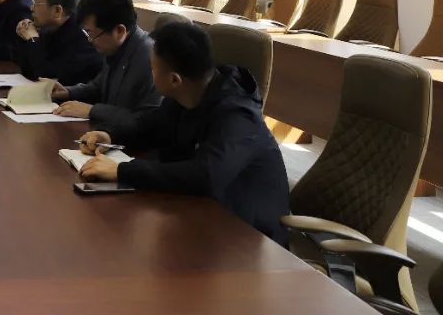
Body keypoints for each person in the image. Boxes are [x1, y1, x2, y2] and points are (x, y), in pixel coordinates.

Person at [79, 20, 290, 246]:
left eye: (153, 68)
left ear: (174, 80)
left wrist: (122, 170)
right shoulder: (189, 92)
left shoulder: (238, 115)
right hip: (202, 215)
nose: (150, 73)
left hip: (248, 236)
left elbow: (205, 175)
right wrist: (110, 135)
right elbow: (152, 124)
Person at [51, 0, 161, 133]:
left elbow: (146, 119)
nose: (90, 41)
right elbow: (98, 87)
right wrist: (69, 92)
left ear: (119, 31)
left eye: (91, 34)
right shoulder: (115, 47)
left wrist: (92, 110)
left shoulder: (151, 59)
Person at [9, 0, 101, 85]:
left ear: (57, 10)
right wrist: (23, 35)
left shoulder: (82, 38)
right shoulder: (49, 29)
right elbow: (26, 68)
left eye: (36, 2)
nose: (31, 7)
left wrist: (33, 39)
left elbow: (46, 76)